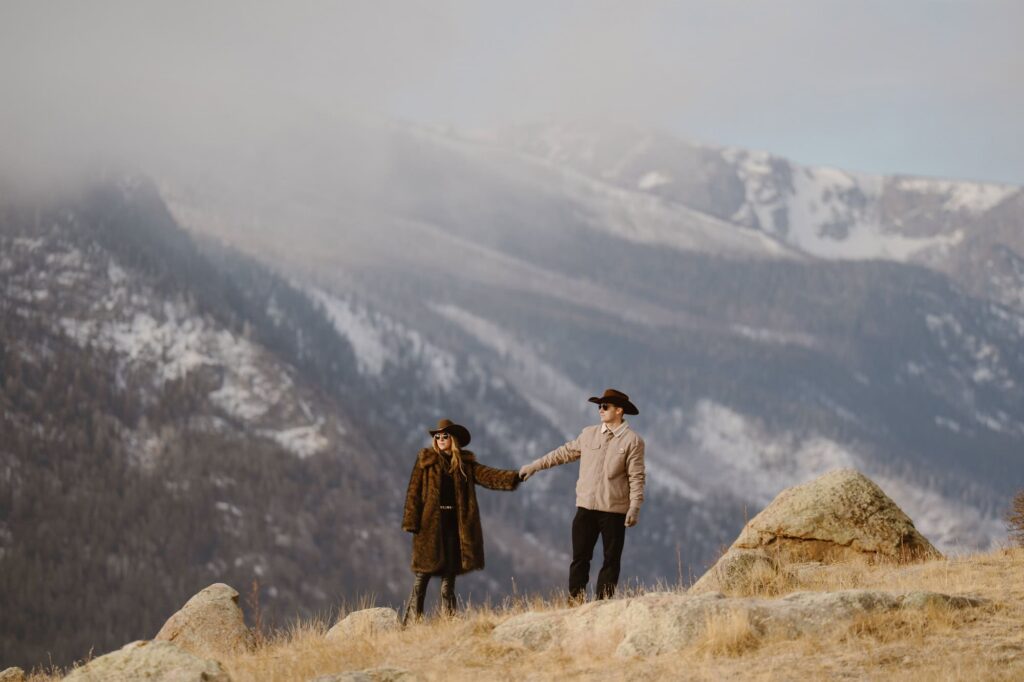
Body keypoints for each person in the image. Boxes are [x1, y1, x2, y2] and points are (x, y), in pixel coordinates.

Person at [519, 388, 645, 602]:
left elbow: (637, 477)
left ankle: (602, 605)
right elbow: (564, 453)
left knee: (611, 560)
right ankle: (575, 601)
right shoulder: (588, 434)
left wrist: (634, 507)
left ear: (619, 411)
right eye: (599, 406)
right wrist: (535, 465)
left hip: (614, 511)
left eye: (605, 406)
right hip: (586, 508)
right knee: (580, 558)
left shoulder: (633, 442)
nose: (600, 410)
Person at [401, 418, 521, 624]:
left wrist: (515, 477)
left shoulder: (465, 464)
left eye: (444, 436)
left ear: (453, 439)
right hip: (429, 528)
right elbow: (413, 492)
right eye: (437, 436)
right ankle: (411, 623)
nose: (439, 439)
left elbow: (488, 476)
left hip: (455, 528)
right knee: (422, 578)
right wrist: (411, 522)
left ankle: (449, 622)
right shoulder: (425, 461)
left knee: (448, 579)